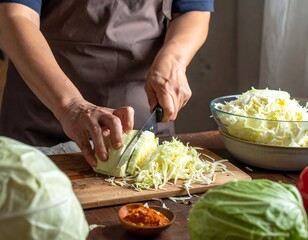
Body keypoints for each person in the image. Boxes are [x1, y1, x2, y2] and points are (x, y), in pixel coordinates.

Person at [0, 0, 213, 167]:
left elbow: (193, 10)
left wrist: (174, 58)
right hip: (43, 115)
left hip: (140, 121)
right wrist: (70, 106)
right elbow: (14, 15)